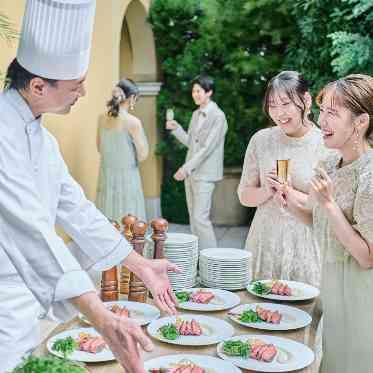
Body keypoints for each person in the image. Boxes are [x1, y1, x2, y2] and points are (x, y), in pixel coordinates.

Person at [0, 1, 177, 372]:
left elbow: (75, 208)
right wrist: (100, 316)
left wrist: (139, 263)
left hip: (26, 299)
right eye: (75, 85)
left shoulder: (42, 139)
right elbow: (31, 230)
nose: (82, 92)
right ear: (37, 86)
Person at [277, 74, 373, 373]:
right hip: (332, 287)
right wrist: (286, 199)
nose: (322, 121)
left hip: (362, 294)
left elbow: (366, 255)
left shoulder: (369, 175)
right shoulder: (330, 164)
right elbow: (317, 218)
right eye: (322, 112)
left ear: (360, 122)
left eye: (333, 113)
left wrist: (329, 204)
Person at [238, 71, 324, 287]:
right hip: (263, 243)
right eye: (272, 105)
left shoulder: (325, 144)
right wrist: (267, 190)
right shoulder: (261, 140)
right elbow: (244, 196)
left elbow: (325, 207)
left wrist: (288, 191)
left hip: (306, 248)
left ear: (306, 100)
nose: (278, 113)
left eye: (285, 103)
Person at [166, 75, 228, 250]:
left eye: (199, 91)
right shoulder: (195, 114)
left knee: (201, 218)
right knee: (194, 219)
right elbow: (192, 144)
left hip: (205, 174)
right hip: (192, 172)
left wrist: (185, 169)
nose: (195, 94)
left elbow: (206, 148)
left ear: (209, 92)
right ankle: (198, 258)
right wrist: (177, 129)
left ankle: (212, 259)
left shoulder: (218, 116)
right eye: (193, 91)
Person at [96, 79, 148, 223]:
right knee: (129, 220)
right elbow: (143, 154)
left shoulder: (101, 119)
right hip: (127, 177)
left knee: (108, 216)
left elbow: (99, 147)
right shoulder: (133, 122)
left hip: (106, 175)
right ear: (131, 98)